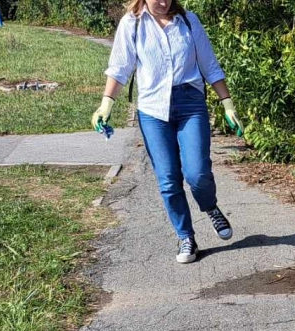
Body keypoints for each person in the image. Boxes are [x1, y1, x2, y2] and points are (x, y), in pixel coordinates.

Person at [93, 0, 241, 264]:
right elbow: (120, 68)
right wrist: (106, 105)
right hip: (152, 110)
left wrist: (227, 104)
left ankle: (210, 206)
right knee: (168, 179)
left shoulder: (188, 21)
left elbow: (210, 65)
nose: (163, 2)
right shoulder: (132, 23)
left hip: (190, 103)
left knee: (198, 173)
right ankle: (186, 237)